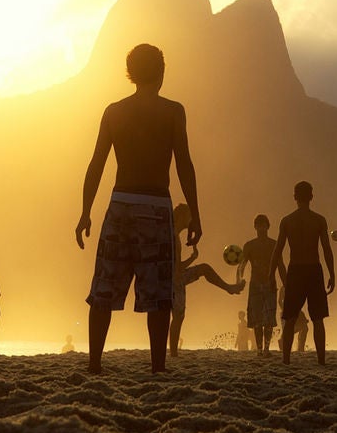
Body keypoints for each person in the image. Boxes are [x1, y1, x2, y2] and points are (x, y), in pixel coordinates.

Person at [76, 44, 205, 374]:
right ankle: (158, 366)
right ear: (161, 72)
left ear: (130, 73)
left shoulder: (114, 111)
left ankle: (94, 364)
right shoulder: (173, 111)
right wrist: (195, 214)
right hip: (156, 205)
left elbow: (96, 165)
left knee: (103, 289)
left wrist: (85, 212)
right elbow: (184, 165)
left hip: (120, 204)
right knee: (159, 293)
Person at [169, 202, 245, 356]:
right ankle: (229, 288)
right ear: (183, 217)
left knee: (177, 317)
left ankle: (174, 353)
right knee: (204, 269)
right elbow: (177, 268)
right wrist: (193, 258)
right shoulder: (174, 236)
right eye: (189, 217)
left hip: (168, 278)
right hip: (174, 280)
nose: (191, 221)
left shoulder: (172, 233)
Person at [275, 181, 335, 364]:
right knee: (317, 319)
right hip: (313, 269)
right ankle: (321, 361)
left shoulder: (287, 220)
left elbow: (278, 251)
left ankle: (286, 360)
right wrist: (332, 273)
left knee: (290, 318)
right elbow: (326, 249)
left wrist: (271, 275)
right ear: (311, 197)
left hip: (296, 269)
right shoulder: (318, 220)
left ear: (295, 197)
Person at [239, 215, 283, 354]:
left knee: (269, 320)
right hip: (255, 285)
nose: (261, 228)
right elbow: (242, 265)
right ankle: (259, 349)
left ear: (268, 226)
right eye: (259, 225)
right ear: (255, 227)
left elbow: (280, 265)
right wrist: (239, 280)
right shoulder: (249, 245)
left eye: (263, 225)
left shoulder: (274, 244)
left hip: (270, 284)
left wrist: (287, 283)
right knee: (257, 320)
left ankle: (267, 348)